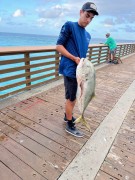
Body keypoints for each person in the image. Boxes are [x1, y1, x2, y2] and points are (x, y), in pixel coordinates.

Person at [56, 2, 99, 137]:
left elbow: (82, 55)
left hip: (80, 72)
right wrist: (73, 58)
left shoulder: (88, 35)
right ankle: (69, 125)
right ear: (81, 12)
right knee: (72, 98)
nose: (88, 20)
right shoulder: (69, 25)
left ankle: (66, 116)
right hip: (70, 69)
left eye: (91, 18)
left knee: (74, 95)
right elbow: (58, 46)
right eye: (87, 16)